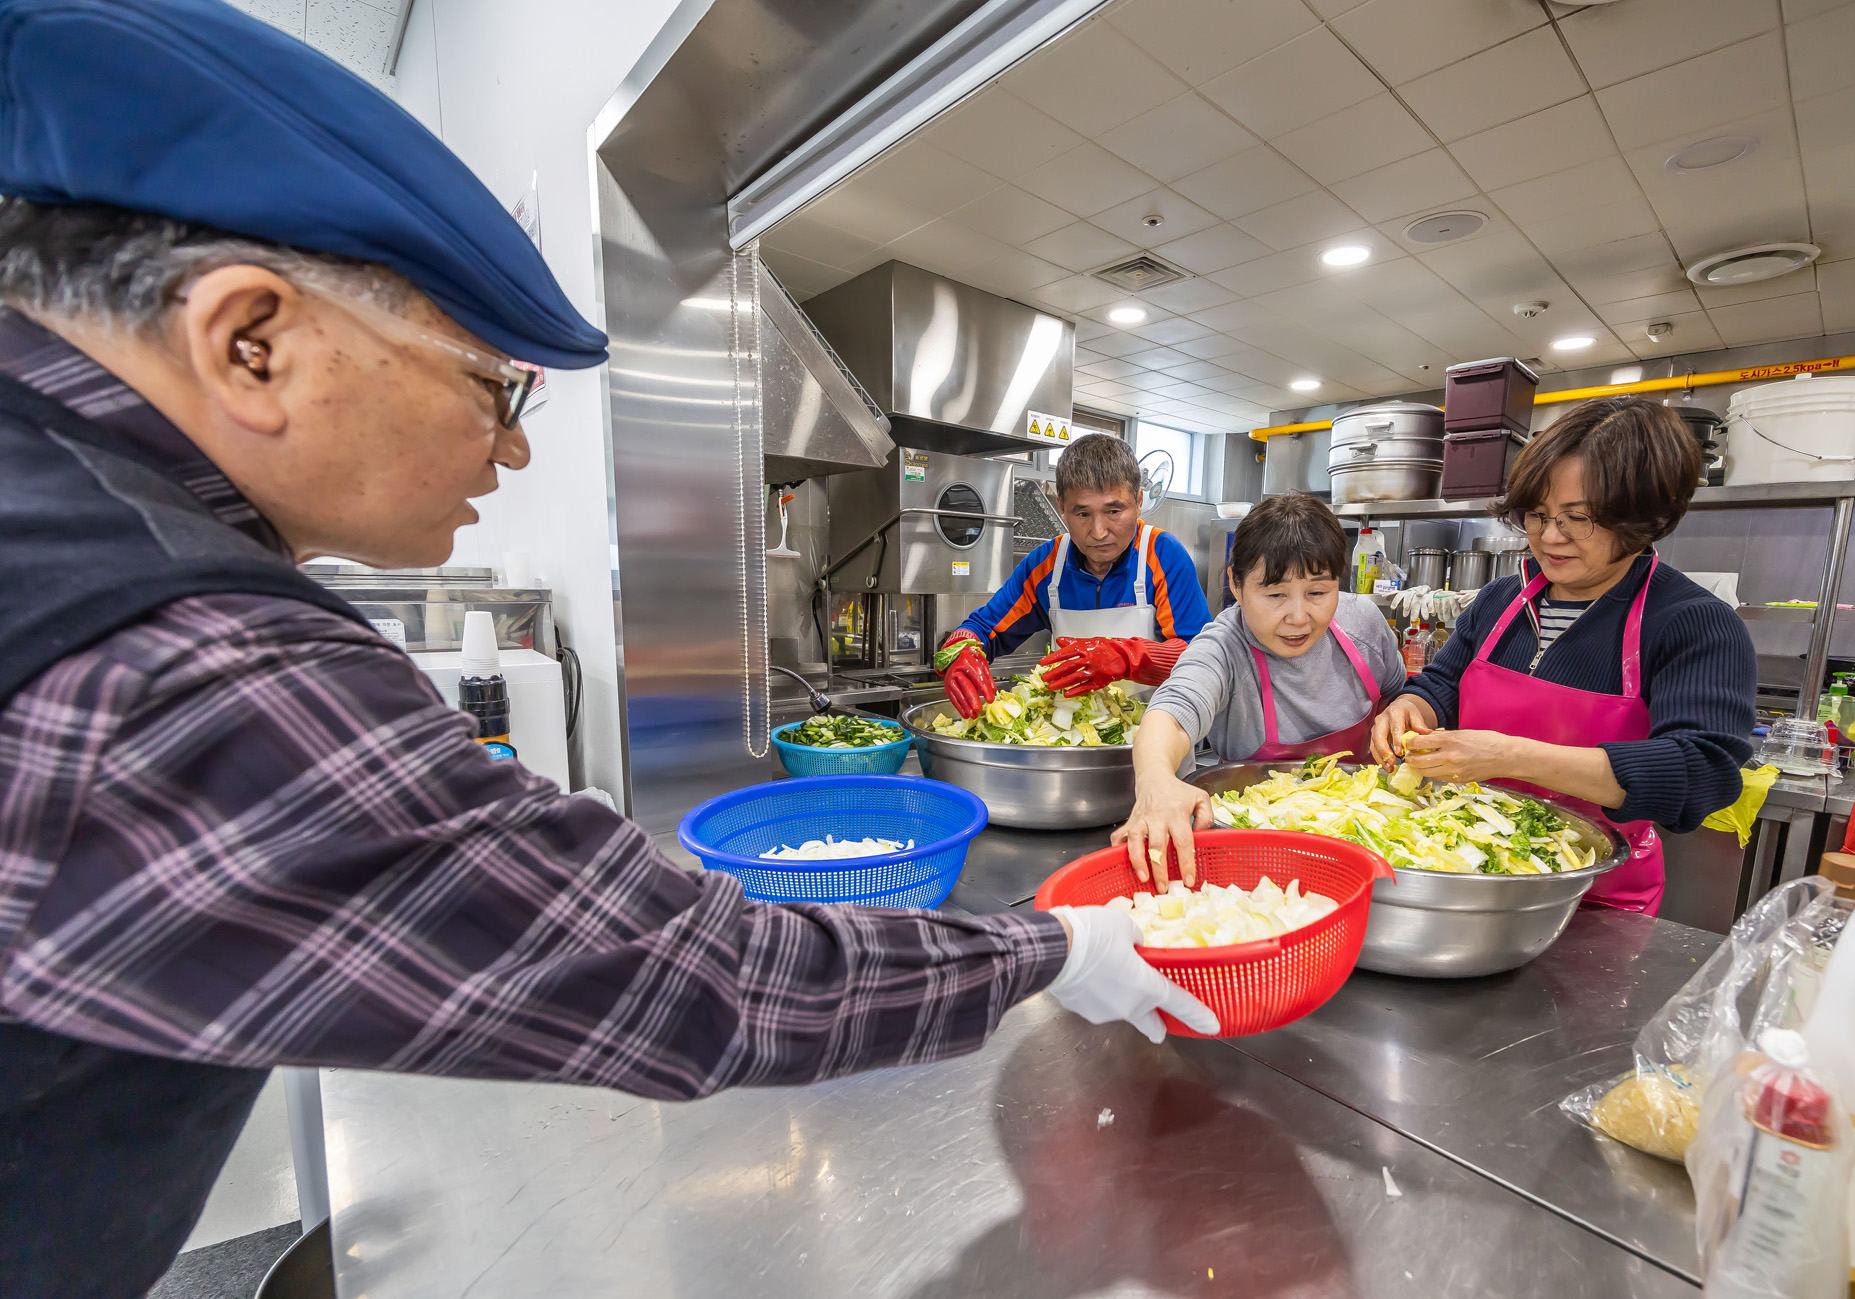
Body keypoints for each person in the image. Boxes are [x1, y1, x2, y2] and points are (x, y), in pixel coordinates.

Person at [0, 5, 1211, 1295]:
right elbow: (691, 979)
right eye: (494, 387)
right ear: (251, 342)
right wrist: (1055, 948)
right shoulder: (181, 647)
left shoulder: (67, 510)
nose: (512, 448)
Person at [1368, 397, 1757, 915]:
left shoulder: (1693, 623)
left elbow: (1701, 771)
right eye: (1538, 515)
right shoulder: (1499, 601)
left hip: (1594, 896)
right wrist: (1412, 707)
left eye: (1579, 518)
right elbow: (1443, 684)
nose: (1550, 538)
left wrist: (1510, 757)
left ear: (1646, 518)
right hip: (1468, 870)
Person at [1114, 494, 1404, 886]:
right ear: (1236, 583)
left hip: (1374, 843)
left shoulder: (1364, 624)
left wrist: (1405, 716)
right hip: (1263, 857)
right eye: (1275, 595)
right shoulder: (1223, 648)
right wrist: (1154, 780)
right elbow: (1174, 711)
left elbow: (1398, 696)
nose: (1299, 617)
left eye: (1318, 593)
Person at [934, 432, 1211, 716]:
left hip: (1157, 737)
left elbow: (1200, 657)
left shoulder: (1163, 556)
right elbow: (983, 628)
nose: (1099, 531)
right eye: (1082, 515)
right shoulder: (1047, 565)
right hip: (1071, 746)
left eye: (1114, 511)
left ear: (1139, 501)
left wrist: (1127, 658)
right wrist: (962, 650)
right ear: (1062, 509)